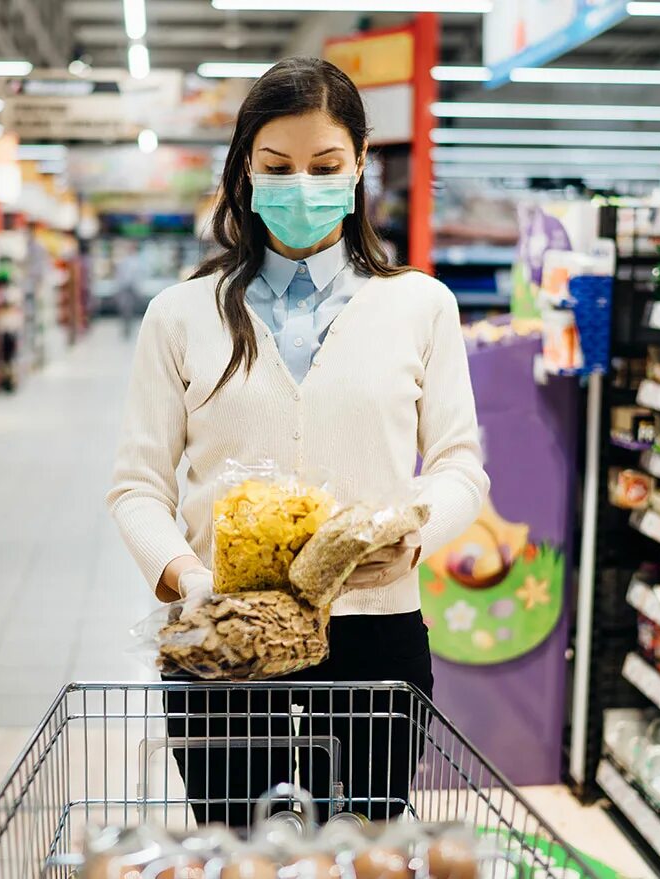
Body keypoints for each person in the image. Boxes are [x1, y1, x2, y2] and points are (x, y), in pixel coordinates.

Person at [107, 57, 489, 827]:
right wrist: (188, 578)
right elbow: (137, 485)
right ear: (246, 172)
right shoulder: (181, 315)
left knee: (363, 844)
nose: (302, 184)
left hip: (374, 626)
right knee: (239, 844)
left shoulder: (419, 306)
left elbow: (458, 467)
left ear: (358, 169)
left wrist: (408, 537)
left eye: (325, 165)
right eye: (277, 166)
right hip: (224, 635)